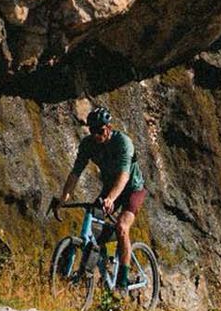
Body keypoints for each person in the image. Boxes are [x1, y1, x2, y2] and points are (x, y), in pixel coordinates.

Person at [49, 105, 148, 286]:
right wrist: (63, 199)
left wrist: (110, 199)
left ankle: (123, 279)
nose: (97, 135)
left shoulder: (123, 143)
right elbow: (75, 173)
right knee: (94, 228)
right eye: (93, 130)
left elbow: (124, 176)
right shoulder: (88, 145)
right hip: (110, 189)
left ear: (109, 128)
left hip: (132, 189)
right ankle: (103, 267)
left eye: (100, 130)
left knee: (121, 227)